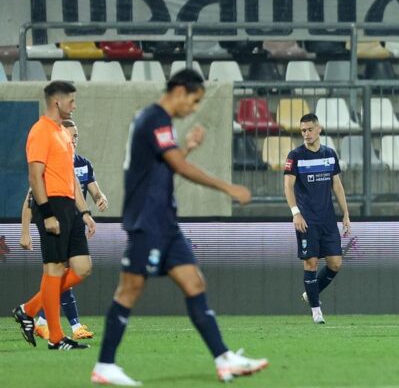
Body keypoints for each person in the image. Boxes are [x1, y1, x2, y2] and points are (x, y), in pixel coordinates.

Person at [90, 69, 265, 386]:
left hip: (165, 222)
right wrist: (228, 188)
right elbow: (178, 168)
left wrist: (186, 148)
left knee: (194, 283)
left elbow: (162, 170)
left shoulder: (156, 121)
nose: (194, 109)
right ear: (181, 91)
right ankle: (104, 365)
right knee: (129, 290)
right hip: (147, 220)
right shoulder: (154, 118)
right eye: (195, 101)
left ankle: (224, 359)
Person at [12, 82, 96, 351]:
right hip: (52, 205)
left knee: (82, 267)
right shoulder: (40, 131)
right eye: (71, 100)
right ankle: (56, 338)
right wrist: (47, 214)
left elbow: (71, 177)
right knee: (54, 269)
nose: (74, 105)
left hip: (70, 206)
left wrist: (84, 212)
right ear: (57, 102)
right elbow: (35, 176)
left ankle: (28, 309)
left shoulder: (63, 132)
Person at [22, 119, 107, 341]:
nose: (74, 140)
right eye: (71, 135)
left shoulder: (82, 164)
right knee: (57, 271)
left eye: (76, 135)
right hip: (55, 221)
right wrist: (25, 231)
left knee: (75, 270)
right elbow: (30, 199)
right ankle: (70, 327)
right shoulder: (49, 162)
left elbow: (91, 190)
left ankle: (38, 319)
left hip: (75, 221)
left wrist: (95, 202)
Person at [284, 113, 351, 325]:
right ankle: (316, 310)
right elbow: (288, 186)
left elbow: (337, 185)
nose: (306, 134)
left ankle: (310, 294)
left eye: (309, 129)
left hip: (327, 219)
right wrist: (295, 212)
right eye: (303, 130)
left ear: (319, 129)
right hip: (307, 219)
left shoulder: (329, 154)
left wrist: (346, 214)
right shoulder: (295, 156)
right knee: (311, 262)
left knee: (335, 263)